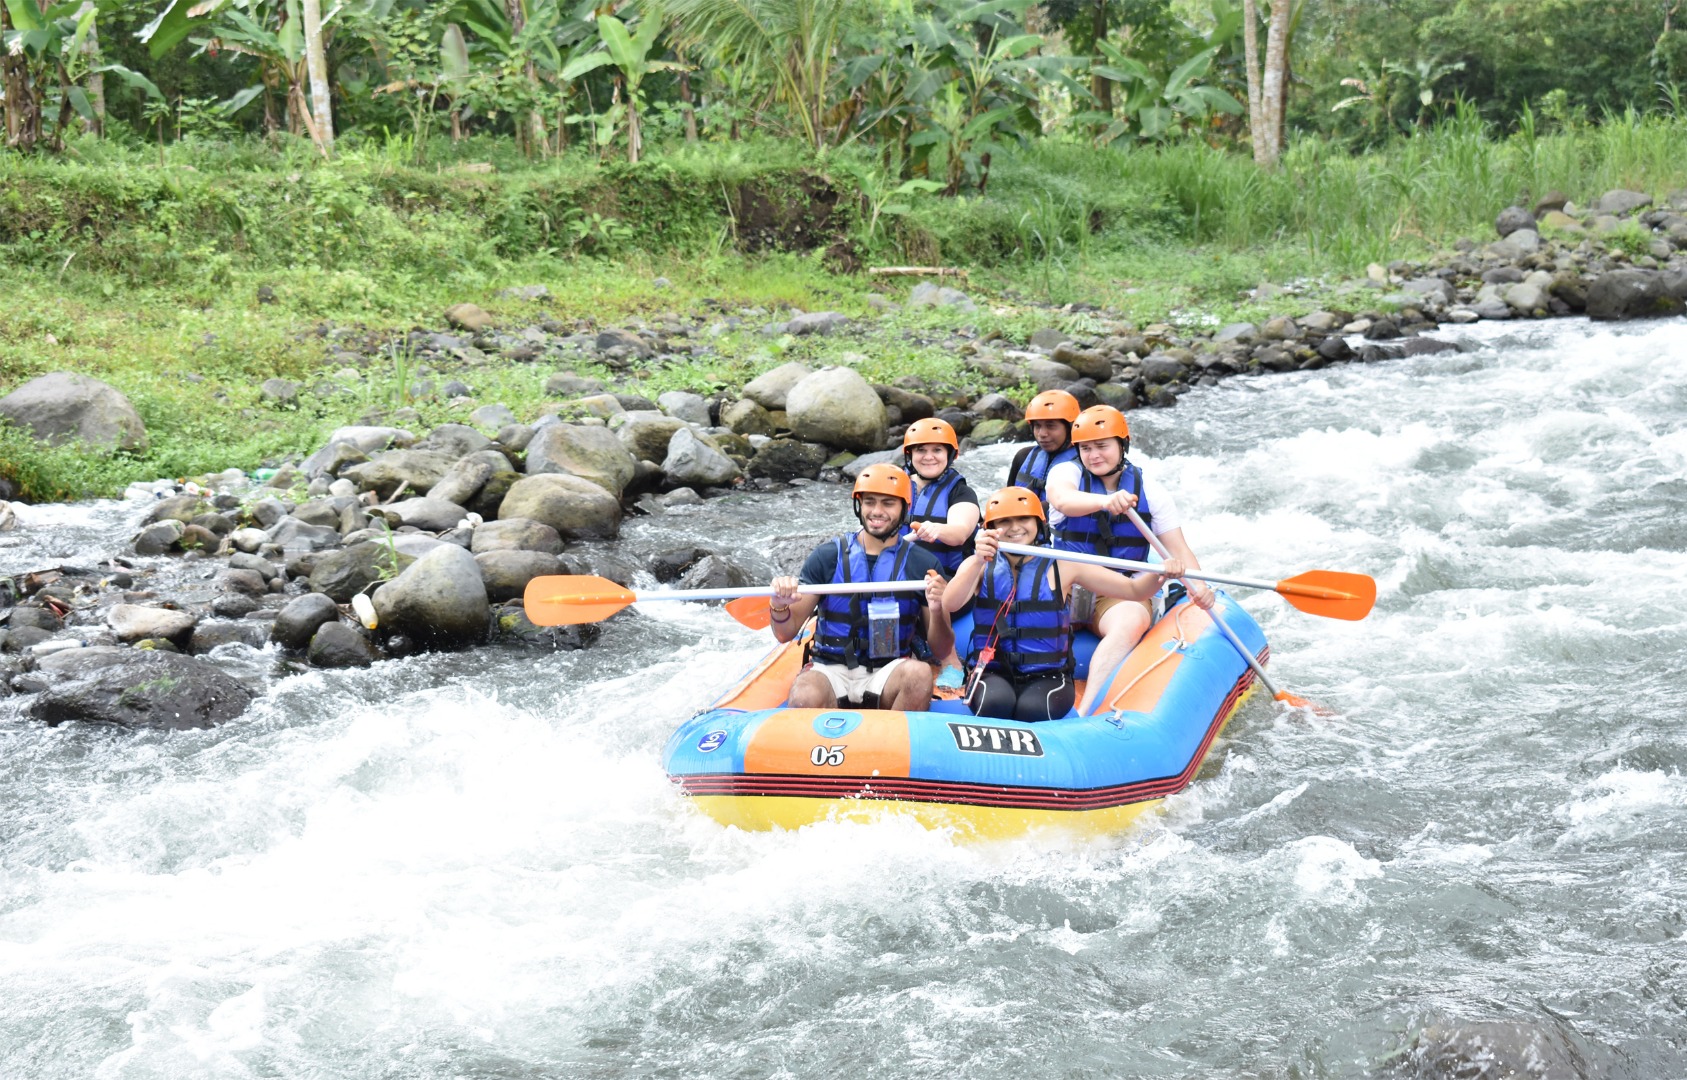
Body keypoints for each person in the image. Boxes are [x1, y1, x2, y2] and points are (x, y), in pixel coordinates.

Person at [944, 487, 1182, 722]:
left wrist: (1161, 572)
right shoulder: (977, 563)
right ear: (991, 529)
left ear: (1040, 523)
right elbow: (951, 604)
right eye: (1004, 521)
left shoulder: (1063, 565)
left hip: (1048, 676)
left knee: (1033, 710)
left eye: (1023, 518)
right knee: (994, 704)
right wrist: (976, 560)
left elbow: (1133, 590)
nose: (1015, 527)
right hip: (993, 671)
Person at [1045, 405, 1215, 714]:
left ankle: (1089, 710)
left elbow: (1179, 549)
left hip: (1118, 590)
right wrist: (1105, 501)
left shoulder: (1151, 490)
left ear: (1122, 445)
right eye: (1086, 448)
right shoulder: (1065, 472)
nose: (1094, 454)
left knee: (1131, 619)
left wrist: (1199, 587)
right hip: (1068, 585)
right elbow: (1062, 500)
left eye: (1102, 446)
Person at [770, 463, 950, 711]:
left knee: (919, 674)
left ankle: (890, 745)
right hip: (831, 669)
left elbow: (941, 649)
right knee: (805, 694)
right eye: (869, 502)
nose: (877, 511)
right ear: (859, 505)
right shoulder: (828, 557)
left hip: (889, 671)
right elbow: (784, 634)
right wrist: (779, 606)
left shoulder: (924, 564)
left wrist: (938, 608)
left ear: (904, 508)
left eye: (888, 503)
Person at [899, 417, 980, 576]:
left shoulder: (961, 492)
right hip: (899, 575)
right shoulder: (895, 486)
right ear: (911, 454)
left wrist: (936, 529)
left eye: (937, 450)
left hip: (944, 580)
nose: (928, 457)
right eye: (921, 450)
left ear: (950, 455)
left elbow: (960, 533)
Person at [1004, 389, 1081, 502]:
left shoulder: (1088, 463)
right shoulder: (1023, 456)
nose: (1042, 434)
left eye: (1051, 426)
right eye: (1037, 426)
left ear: (1071, 428)